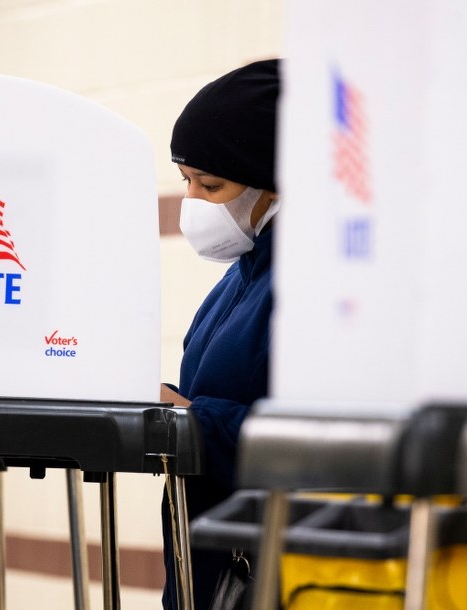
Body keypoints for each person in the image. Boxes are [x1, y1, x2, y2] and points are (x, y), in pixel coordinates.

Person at [160, 58, 281, 609]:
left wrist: (191, 420)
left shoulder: (315, 290)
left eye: (211, 184)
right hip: (206, 575)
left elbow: (326, 443)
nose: (193, 203)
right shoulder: (240, 277)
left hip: (271, 577)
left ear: (276, 186)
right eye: (187, 181)